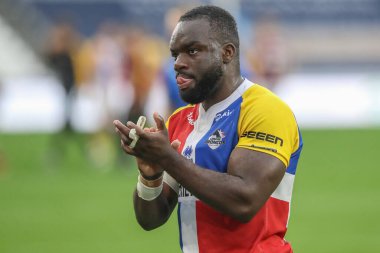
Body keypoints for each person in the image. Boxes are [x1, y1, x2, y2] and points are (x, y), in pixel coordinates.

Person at [114, 5, 303, 253]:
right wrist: (150, 177)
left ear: (226, 53)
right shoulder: (179, 121)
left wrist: (167, 158)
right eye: (175, 54)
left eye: (192, 51)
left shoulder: (265, 110)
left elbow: (245, 201)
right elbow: (151, 220)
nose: (179, 63)